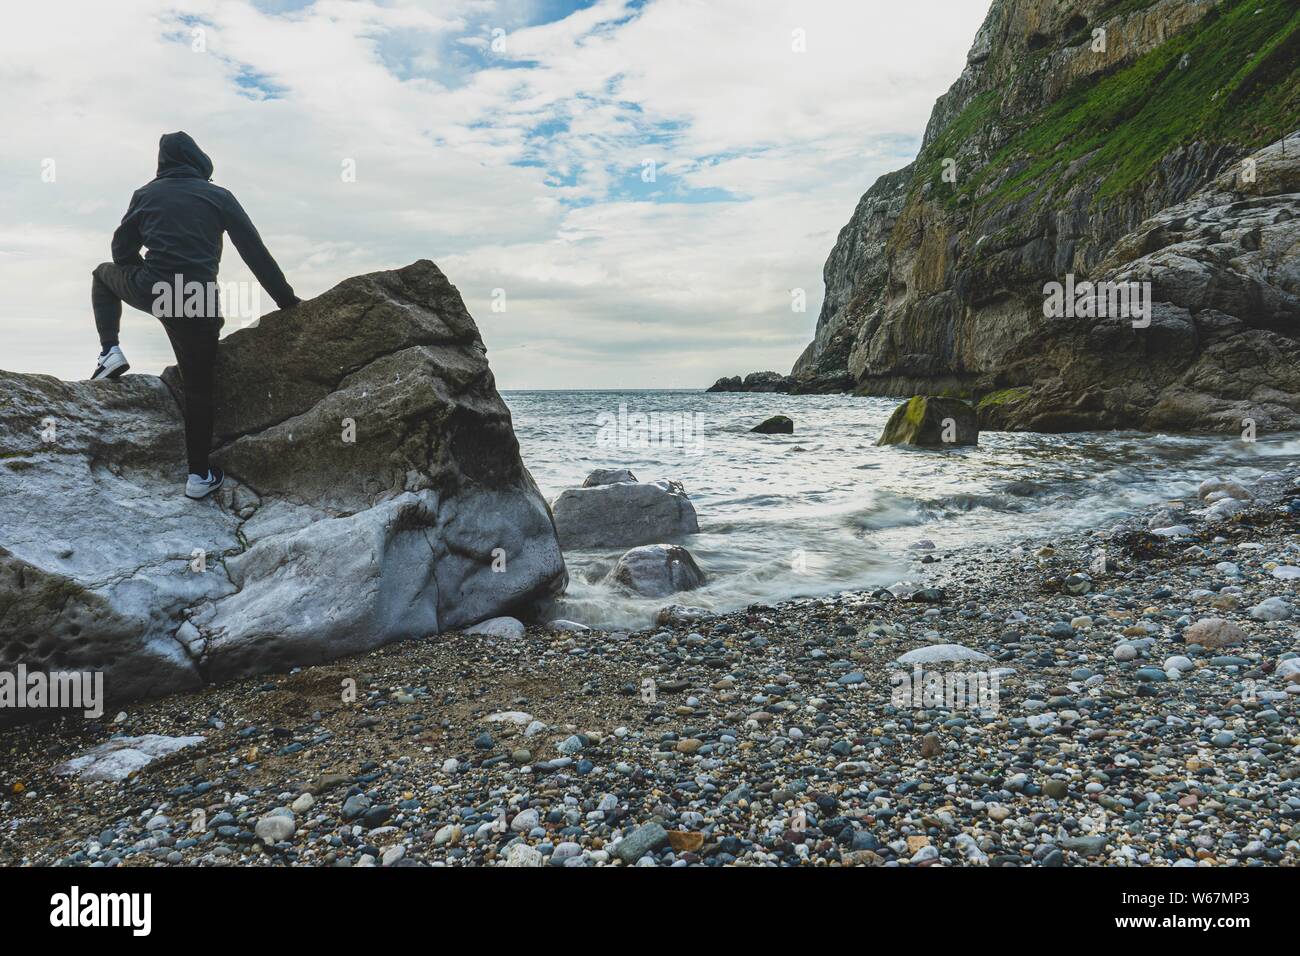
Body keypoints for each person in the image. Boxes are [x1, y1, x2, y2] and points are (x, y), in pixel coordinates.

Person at [91, 131, 300, 499]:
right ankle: (198, 475)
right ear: (198, 158)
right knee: (199, 387)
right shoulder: (218, 196)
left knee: (101, 274)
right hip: (198, 301)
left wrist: (143, 270)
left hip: (153, 288)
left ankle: (111, 351)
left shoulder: (145, 195)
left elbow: (121, 251)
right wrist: (287, 302)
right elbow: (255, 253)